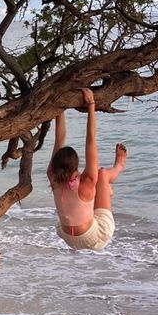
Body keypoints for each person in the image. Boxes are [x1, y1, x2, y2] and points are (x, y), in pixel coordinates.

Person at [47, 88, 127, 251]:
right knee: (103, 174)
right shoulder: (87, 181)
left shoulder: (53, 176)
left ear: (55, 165)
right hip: (94, 237)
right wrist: (91, 105)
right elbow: (91, 141)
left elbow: (58, 139)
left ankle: (104, 191)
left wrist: (59, 110)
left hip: (69, 237)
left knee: (95, 186)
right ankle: (119, 167)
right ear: (76, 166)